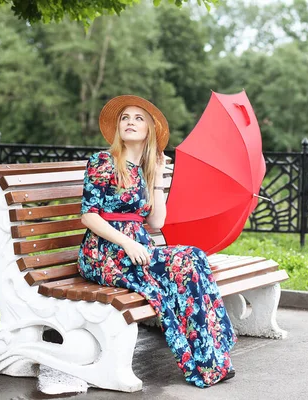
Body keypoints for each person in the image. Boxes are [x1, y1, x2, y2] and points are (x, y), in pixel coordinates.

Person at [78, 95, 237, 387]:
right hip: (103, 252)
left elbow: (156, 223)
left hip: (138, 249)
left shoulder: (144, 169)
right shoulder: (103, 161)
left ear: (149, 130)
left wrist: (159, 176)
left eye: (139, 119)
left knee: (195, 257)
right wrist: (127, 243)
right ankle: (204, 361)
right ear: (118, 127)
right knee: (185, 265)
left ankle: (214, 354)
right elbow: (89, 216)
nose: (130, 122)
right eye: (125, 118)